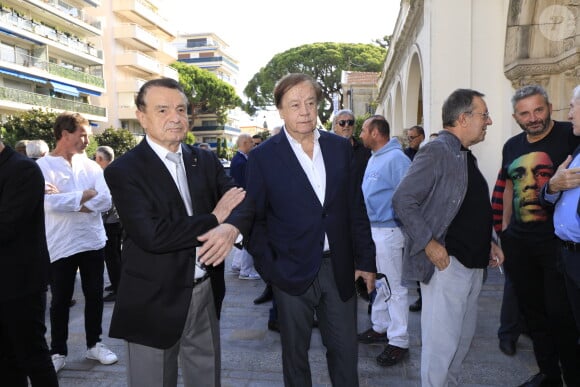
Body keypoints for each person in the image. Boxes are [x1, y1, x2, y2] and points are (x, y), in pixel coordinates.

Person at [103, 77, 252, 387]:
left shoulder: (205, 159)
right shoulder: (124, 170)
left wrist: (230, 227)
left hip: (204, 293)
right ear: (142, 116)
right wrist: (215, 216)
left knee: (206, 379)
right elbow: (153, 235)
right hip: (152, 299)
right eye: (162, 109)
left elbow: (239, 199)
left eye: (181, 109)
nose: (175, 117)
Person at [245, 73, 376, 387]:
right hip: (290, 273)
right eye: (294, 104)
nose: (304, 111)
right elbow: (254, 220)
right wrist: (272, 270)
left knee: (345, 354)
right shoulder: (263, 157)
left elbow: (355, 209)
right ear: (280, 110)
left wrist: (366, 262)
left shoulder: (339, 149)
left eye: (309, 103)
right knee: (295, 358)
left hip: (340, 269)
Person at [392, 88, 504, 387]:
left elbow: (465, 207)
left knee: (459, 343)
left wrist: (489, 240)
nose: (489, 121)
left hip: (471, 262)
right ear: (464, 118)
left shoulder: (463, 154)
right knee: (442, 347)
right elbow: (403, 200)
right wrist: (429, 244)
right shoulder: (437, 150)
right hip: (448, 265)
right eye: (484, 115)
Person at [501, 84, 580, 387]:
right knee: (533, 315)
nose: (533, 118)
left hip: (557, 247)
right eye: (525, 113)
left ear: (549, 107)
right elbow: (508, 185)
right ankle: (548, 373)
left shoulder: (570, 134)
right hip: (520, 245)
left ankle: (570, 375)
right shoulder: (511, 145)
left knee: (561, 318)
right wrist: (505, 229)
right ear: (515, 116)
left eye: (538, 110)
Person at [37, 112, 118, 373]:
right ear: (64, 134)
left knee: (94, 295)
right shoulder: (42, 167)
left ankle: (95, 344)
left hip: (92, 241)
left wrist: (71, 200)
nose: (86, 141)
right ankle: (58, 350)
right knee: (60, 299)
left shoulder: (92, 166)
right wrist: (84, 196)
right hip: (60, 244)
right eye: (83, 134)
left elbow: (105, 201)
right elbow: (48, 203)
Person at [0, 138, 59, 386]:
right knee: (4, 362)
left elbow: (7, 226)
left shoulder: (22, 169)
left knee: (32, 357)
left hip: (20, 285)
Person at [356, 115, 411, 366]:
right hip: (373, 230)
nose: (361, 135)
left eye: (364, 130)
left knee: (394, 287)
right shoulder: (375, 157)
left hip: (388, 231)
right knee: (379, 283)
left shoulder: (397, 159)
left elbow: (408, 195)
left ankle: (399, 340)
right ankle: (380, 327)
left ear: (376, 133)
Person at [540, 84, 580, 334]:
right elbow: (550, 197)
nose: (569, 114)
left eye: (574, 107)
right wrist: (552, 186)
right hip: (567, 257)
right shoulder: (576, 150)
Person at [230, 134, 260, 280]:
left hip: (242, 202)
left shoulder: (240, 159)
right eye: (251, 143)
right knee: (250, 236)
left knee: (243, 235)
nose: (253, 146)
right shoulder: (240, 162)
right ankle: (246, 271)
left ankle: (237, 264)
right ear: (244, 143)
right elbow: (245, 184)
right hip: (245, 202)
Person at [94, 146, 122, 303]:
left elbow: (108, 200)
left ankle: (118, 289)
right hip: (117, 220)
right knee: (117, 256)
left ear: (100, 159)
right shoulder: (117, 170)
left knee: (112, 258)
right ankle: (117, 285)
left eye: (96, 157)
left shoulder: (106, 174)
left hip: (110, 221)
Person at [332, 109, 371, 185]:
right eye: (342, 123)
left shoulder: (366, 150)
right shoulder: (328, 152)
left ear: (354, 127)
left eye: (350, 122)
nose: (346, 125)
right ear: (334, 128)